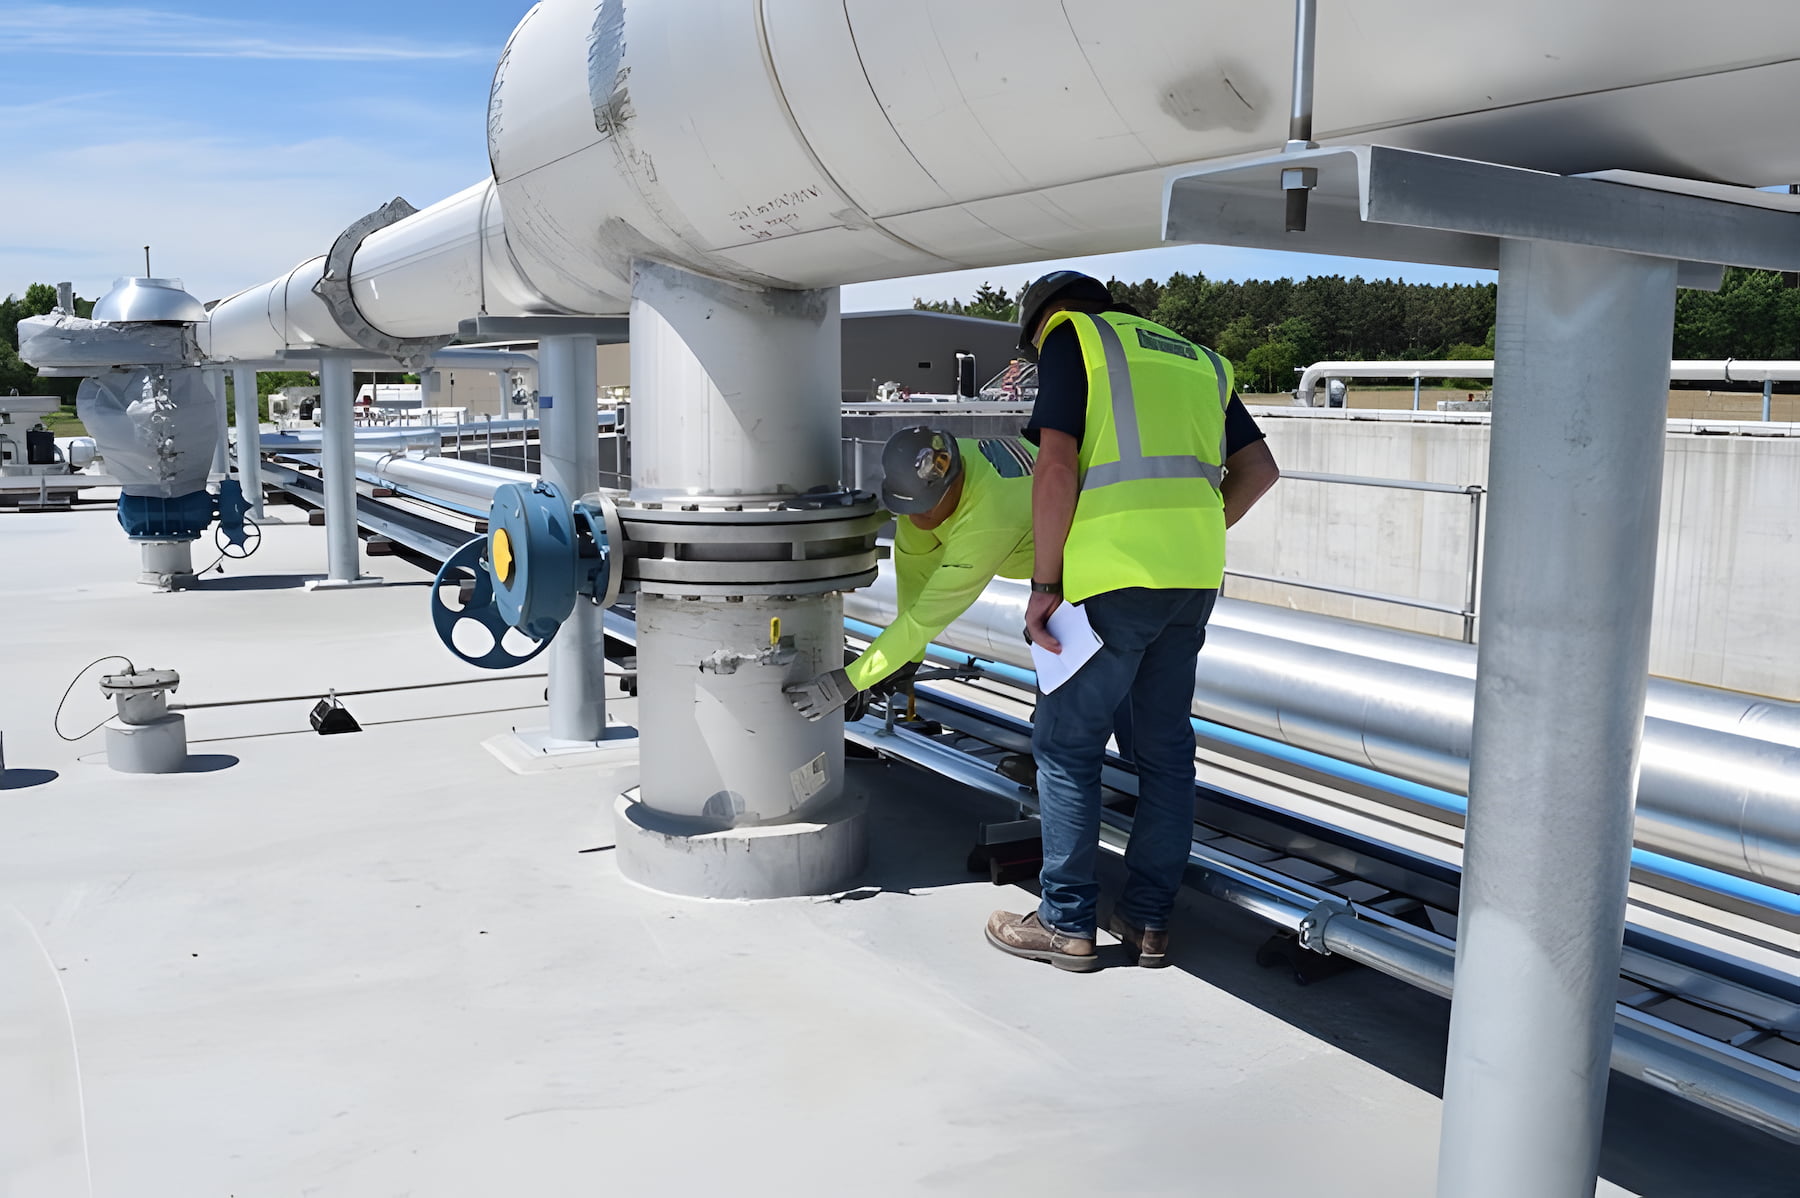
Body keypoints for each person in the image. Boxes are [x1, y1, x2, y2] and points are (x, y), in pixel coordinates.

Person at [985, 271, 1280, 973]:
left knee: (1067, 747)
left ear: (1041, 321)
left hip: (1109, 578)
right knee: (1167, 754)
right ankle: (1148, 920)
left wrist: (1045, 583)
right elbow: (1259, 468)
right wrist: (1194, 534)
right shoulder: (1198, 358)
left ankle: (1065, 923)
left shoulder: (1072, 337)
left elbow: (1055, 467)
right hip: (1191, 580)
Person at [785, 426, 1038, 721]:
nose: (916, 518)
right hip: (1039, 544)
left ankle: (1051, 744)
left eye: (924, 508)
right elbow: (913, 579)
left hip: (1080, 551)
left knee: (1062, 656)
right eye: (908, 508)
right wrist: (907, 658)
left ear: (952, 485)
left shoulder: (987, 520)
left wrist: (847, 682)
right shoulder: (932, 478)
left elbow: (925, 618)